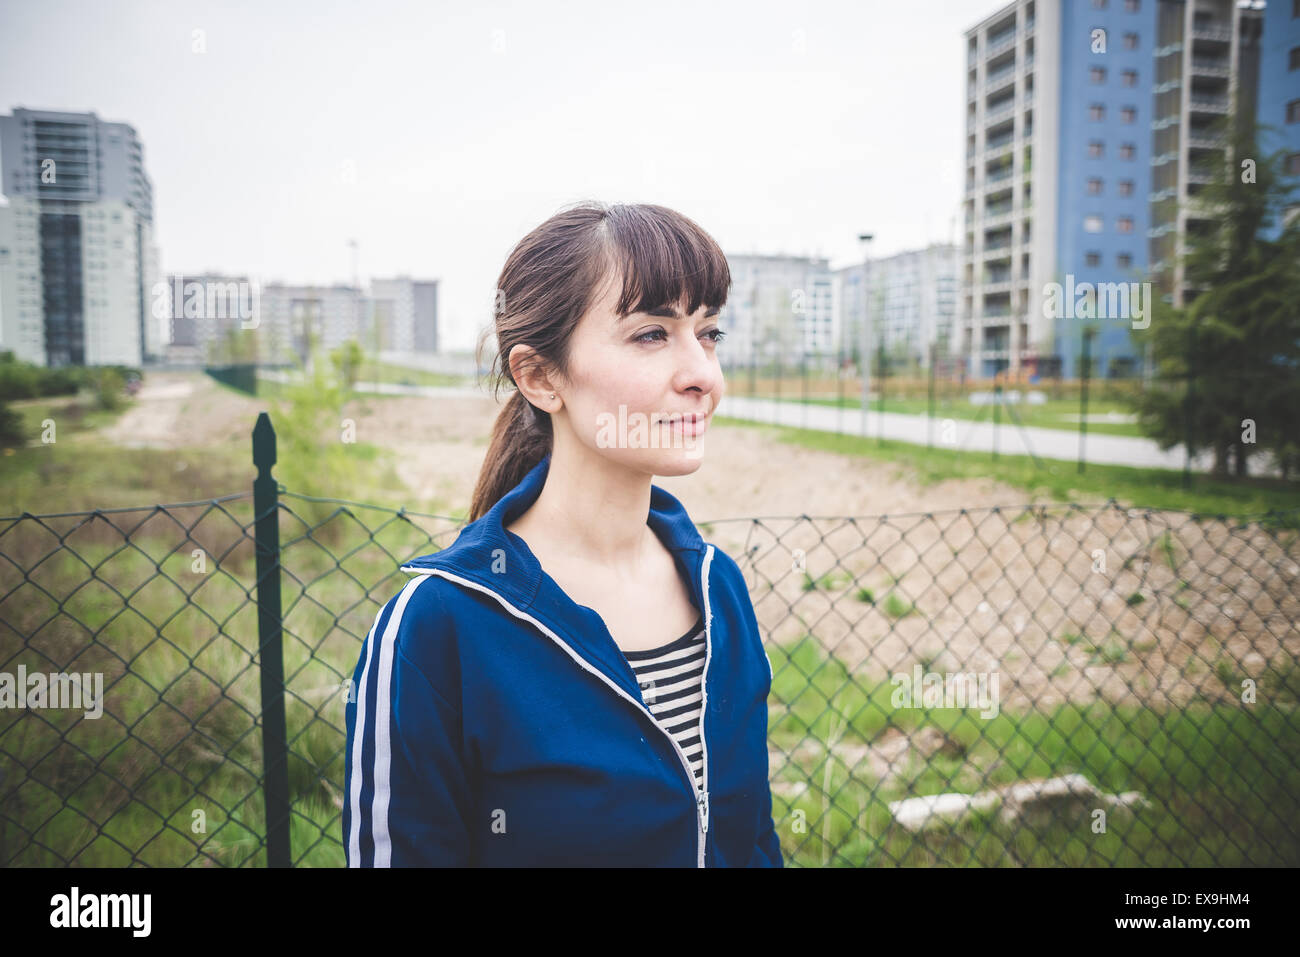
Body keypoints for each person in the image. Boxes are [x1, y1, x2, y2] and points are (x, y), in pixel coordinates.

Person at [343, 201, 782, 867]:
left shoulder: (719, 587)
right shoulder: (437, 626)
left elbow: (753, 843)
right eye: (651, 335)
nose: (703, 376)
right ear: (541, 376)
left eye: (709, 332)